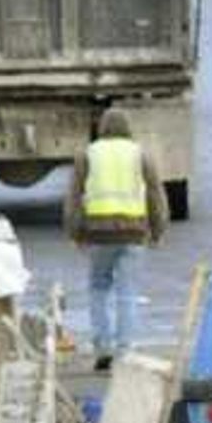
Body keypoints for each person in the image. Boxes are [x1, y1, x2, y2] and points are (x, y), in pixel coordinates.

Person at [62, 105, 158, 365]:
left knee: (98, 288)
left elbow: (74, 198)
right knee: (127, 292)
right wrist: (158, 230)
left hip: (99, 234)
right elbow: (155, 196)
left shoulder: (88, 155)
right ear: (128, 129)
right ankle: (125, 350)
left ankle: (102, 347)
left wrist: (75, 231)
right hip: (134, 233)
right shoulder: (140, 155)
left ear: (101, 129)